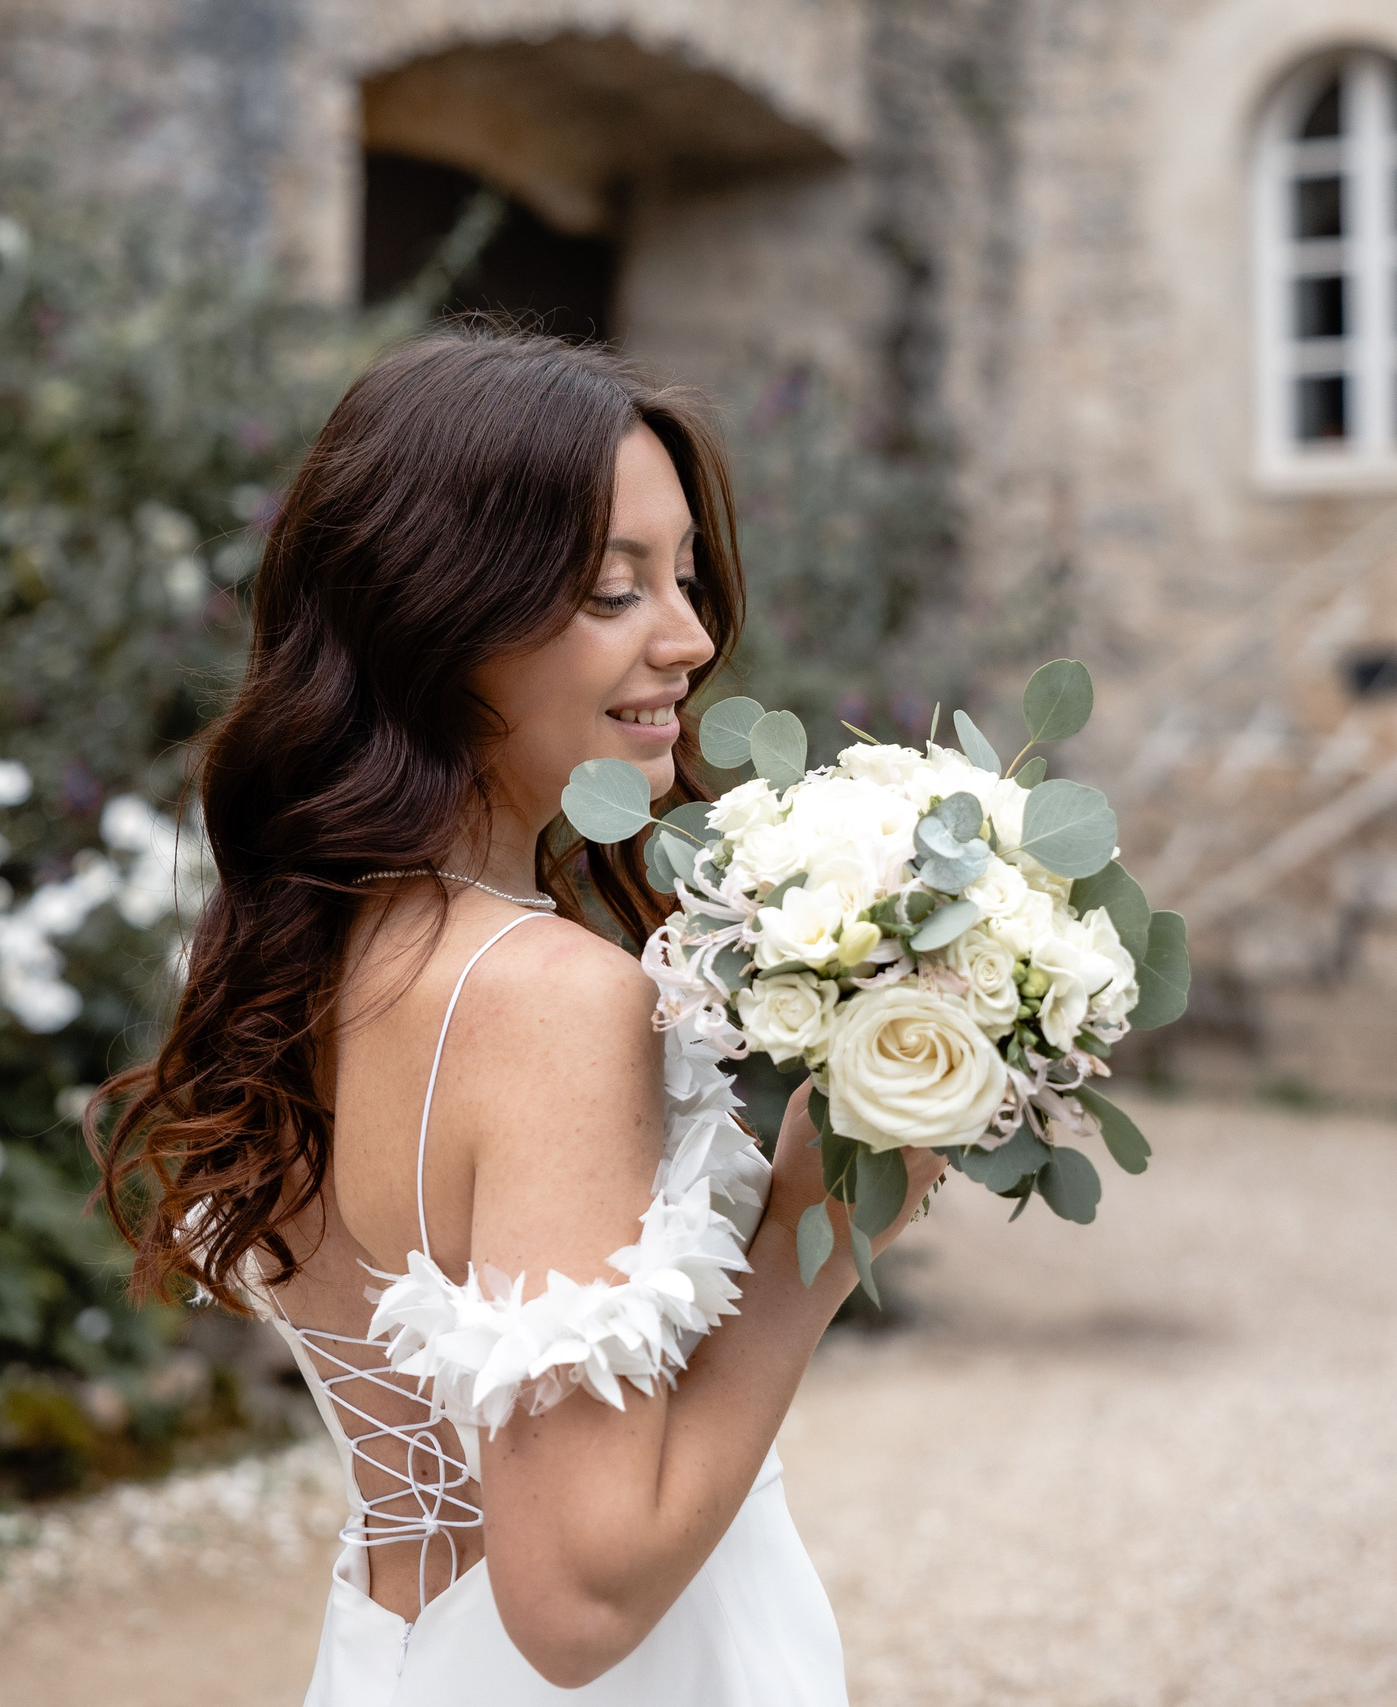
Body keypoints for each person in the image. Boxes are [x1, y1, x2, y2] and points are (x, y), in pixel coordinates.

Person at [90, 328, 942, 1702]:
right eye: (615, 591)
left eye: (686, 579)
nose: (694, 638)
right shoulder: (549, 1002)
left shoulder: (284, 952)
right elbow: (578, 1600)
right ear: (443, 618)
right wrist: (825, 1225)